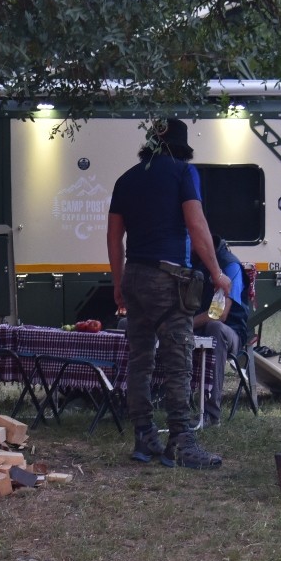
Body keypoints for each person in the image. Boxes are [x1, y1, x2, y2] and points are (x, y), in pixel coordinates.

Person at [106, 118, 233, 469]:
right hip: (168, 278)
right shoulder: (183, 173)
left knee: (140, 360)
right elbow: (196, 224)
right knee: (179, 360)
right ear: (182, 148)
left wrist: (118, 282)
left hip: (134, 276)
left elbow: (114, 237)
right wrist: (218, 273)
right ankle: (181, 441)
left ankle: (144, 435)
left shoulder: (126, 179)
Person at [191, 235, 248, 425]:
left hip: (230, 332)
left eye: (190, 242)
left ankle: (211, 413)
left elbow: (219, 314)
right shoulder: (193, 263)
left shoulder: (229, 265)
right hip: (197, 328)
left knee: (214, 327)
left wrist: (186, 324)